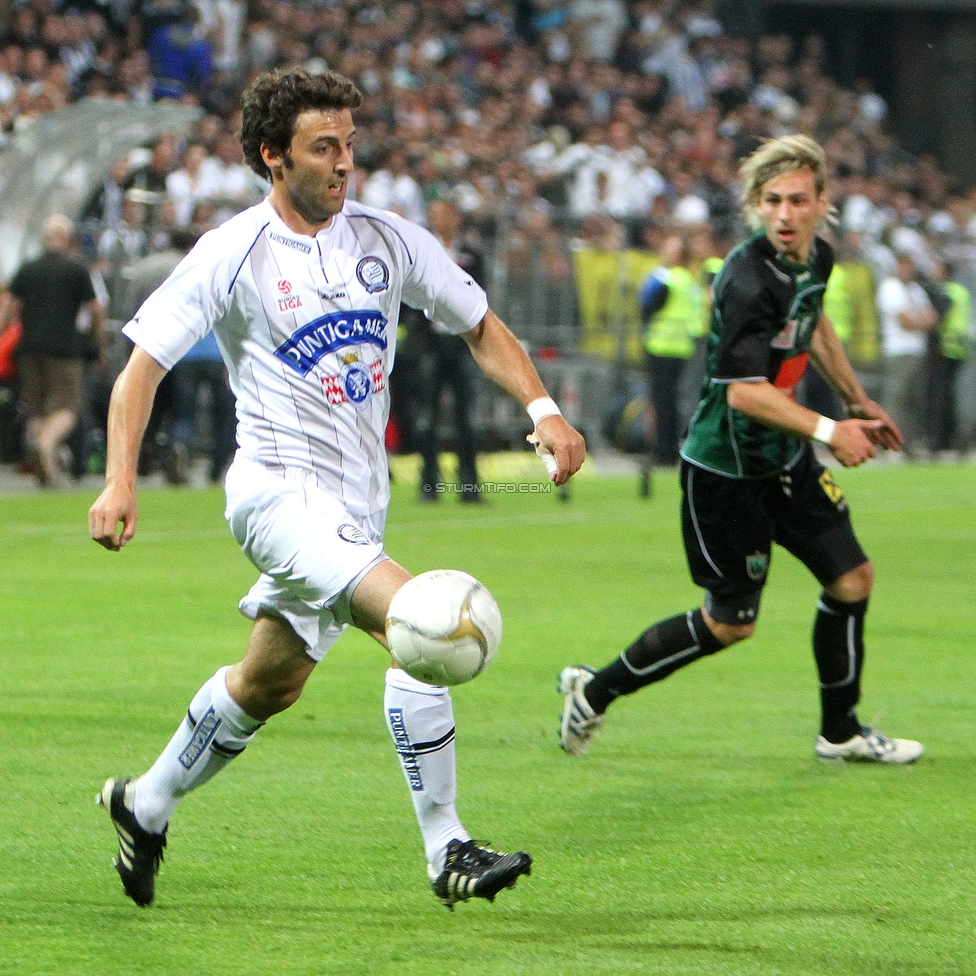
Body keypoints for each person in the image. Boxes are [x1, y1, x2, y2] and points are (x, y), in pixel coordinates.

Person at [89, 67, 585, 911]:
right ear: (272, 157)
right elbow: (141, 372)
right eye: (325, 147)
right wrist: (117, 483)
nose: (344, 162)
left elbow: (480, 325)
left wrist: (542, 407)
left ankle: (146, 802)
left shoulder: (387, 241)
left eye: (350, 145)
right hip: (278, 496)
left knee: (268, 684)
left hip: (356, 507)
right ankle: (447, 847)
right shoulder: (233, 251)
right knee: (423, 620)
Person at [558, 134, 923, 765]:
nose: (785, 214)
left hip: (785, 458)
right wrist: (833, 431)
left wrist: (857, 399)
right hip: (727, 472)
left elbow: (815, 323)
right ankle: (593, 691)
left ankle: (840, 732)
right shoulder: (748, 279)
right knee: (731, 623)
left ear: (822, 204)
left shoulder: (817, 259)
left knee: (852, 579)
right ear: (756, 206)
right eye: (772, 201)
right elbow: (744, 396)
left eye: (798, 201)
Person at [0, 214, 105, 486]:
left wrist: (4, 333)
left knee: (37, 408)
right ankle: (46, 444)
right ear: (67, 239)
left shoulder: (28, 268)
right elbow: (95, 309)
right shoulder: (77, 269)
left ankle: (45, 464)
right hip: (65, 349)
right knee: (69, 406)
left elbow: (10, 307)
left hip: (29, 347)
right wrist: (97, 340)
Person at [410, 196, 485, 502]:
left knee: (467, 417)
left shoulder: (471, 254)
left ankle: (469, 486)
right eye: (435, 213)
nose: (441, 219)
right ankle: (429, 485)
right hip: (432, 343)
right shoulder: (422, 250)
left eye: (446, 213)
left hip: (461, 342)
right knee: (428, 416)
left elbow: (481, 295)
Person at [876, 252, 938, 460]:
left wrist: (919, 321)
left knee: (914, 400)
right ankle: (888, 445)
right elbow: (906, 321)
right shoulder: (890, 287)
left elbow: (932, 316)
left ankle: (908, 443)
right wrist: (921, 322)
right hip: (898, 350)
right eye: (905, 265)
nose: (908, 270)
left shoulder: (915, 289)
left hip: (917, 350)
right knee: (896, 397)